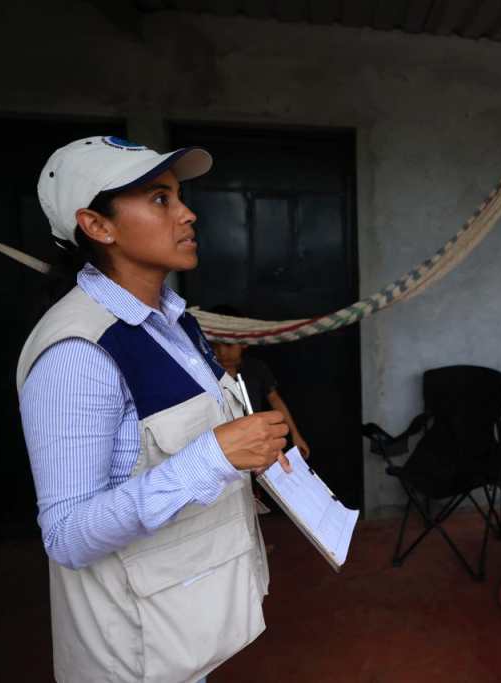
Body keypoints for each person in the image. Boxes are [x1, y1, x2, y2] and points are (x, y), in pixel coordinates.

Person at [17, 136, 291, 683]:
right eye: (161, 199)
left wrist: (246, 457)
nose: (188, 213)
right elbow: (68, 534)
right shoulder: (79, 351)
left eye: (178, 196)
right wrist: (215, 454)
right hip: (132, 656)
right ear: (98, 226)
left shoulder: (175, 323)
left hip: (181, 630)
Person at [207, 304, 311, 459]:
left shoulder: (256, 368)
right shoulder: (205, 372)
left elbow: (275, 400)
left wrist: (295, 435)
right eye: (214, 345)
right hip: (223, 448)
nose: (221, 352)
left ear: (244, 342)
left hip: (257, 443)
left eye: (228, 345)